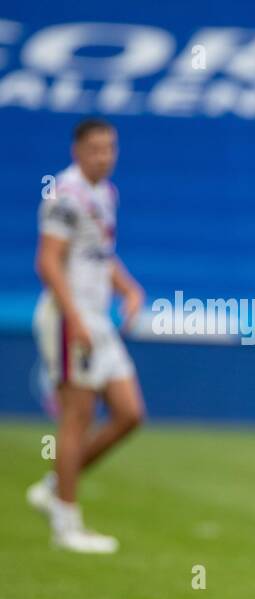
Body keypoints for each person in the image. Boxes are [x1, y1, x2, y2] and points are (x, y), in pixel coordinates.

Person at [27, 117, 146, 554]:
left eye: (110, 148)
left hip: (98, 318)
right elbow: (48, 261)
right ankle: (67, 523)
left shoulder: (105, 194)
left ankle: (55, 486)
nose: (105, 156)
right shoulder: (65, 195)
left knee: (129, 413)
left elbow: (101, 256)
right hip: (68, 317)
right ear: (77, 151)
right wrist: (73, 317)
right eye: (96, 149)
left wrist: (128, 288)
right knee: (77, 416)